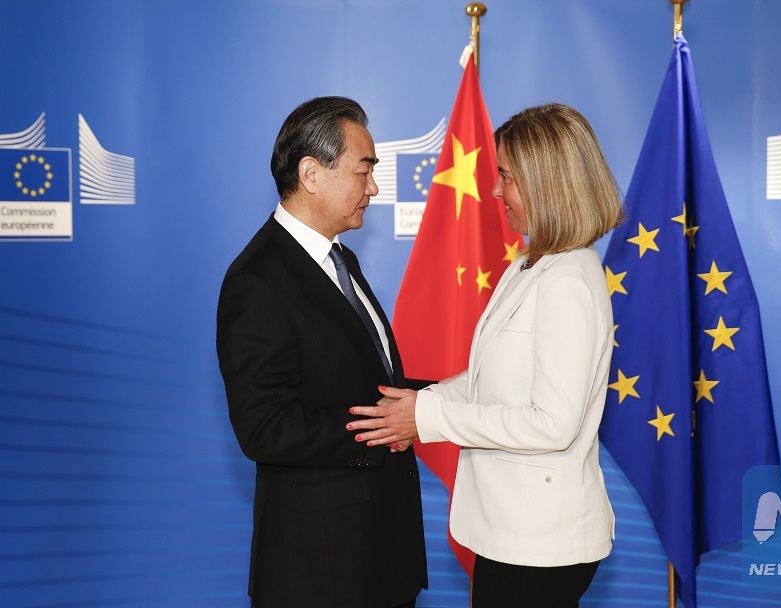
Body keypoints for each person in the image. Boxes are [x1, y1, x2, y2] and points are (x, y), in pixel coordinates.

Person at [348, 103, 623, 608]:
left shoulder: (566, 281)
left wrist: (427, 417)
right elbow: (487, 377)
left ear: (546, 183)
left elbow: (552, 424)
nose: (496, 191)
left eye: (507, 176)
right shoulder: (532, 265)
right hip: (514, 532)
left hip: (541, 545)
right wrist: (417, 403)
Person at [216, 96, 427, 608]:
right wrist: (385, 428)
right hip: (320, 572)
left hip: (382, 559)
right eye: (363, 171)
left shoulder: (340, 258)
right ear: (311, 173)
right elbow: (265, 426)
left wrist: (448, 396)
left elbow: (371, 383)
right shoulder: (257, 279)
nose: (373, 188)